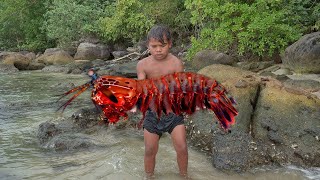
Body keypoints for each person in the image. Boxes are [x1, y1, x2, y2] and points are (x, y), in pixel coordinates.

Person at [136, 25, 188, 178]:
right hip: (152, 114)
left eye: (162, 45)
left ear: (170, 44)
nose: (158, 49)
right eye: (154, 46)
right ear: (148, 46)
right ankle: (149, 176)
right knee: (150, 150)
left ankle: (184, 176)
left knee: (182, 147)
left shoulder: (176, 63)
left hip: (173, 113)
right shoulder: (143, 65)